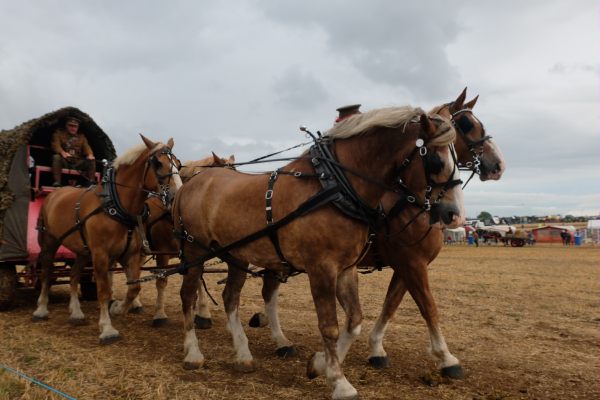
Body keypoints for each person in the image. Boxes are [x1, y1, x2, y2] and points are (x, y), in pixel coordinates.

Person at [51, 117, 96, 187]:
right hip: (65, 161)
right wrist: (62, 152)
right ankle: (57, 182)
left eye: (75, 126)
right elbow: (55, 145)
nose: (73, 128)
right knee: (56, 157)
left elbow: (87, 147)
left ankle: (91, 183)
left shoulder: (81, 137)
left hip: (77, 162)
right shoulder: (59, 133)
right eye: (71, 126)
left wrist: (90, 154)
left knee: (91, 160)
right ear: (66, 125)